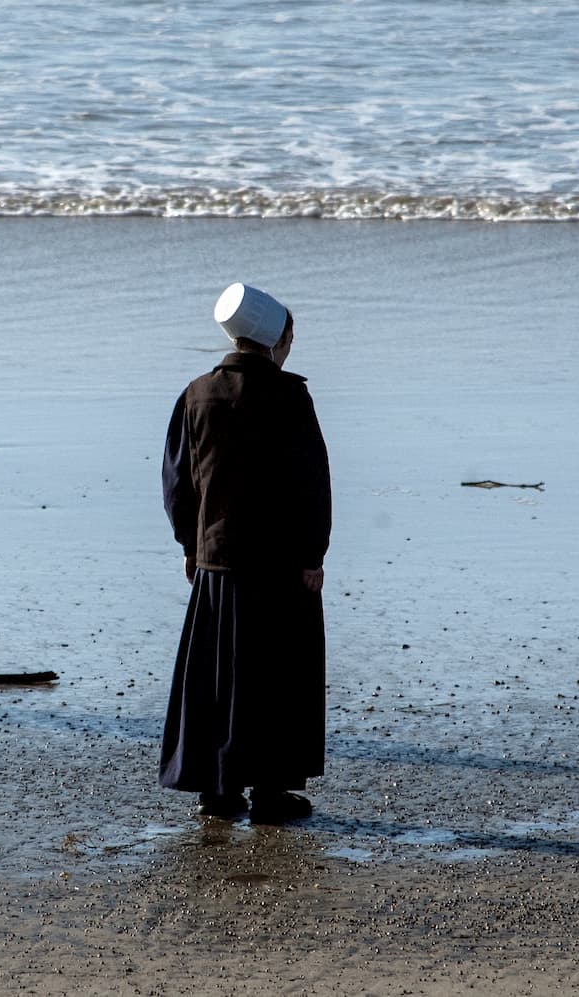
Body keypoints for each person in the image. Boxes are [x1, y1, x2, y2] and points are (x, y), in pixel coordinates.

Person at [159, 282, 332, 823]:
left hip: (217, 558)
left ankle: (219, 791)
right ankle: (272, 792)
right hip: (281, 562)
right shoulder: (291, 396)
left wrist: (190, 543)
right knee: (277, 674)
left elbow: (177, 482)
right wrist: (313, 554)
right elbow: (313, 482)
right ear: (273, 339)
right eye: (289, 335)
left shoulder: (196, 394)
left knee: (219, 675)